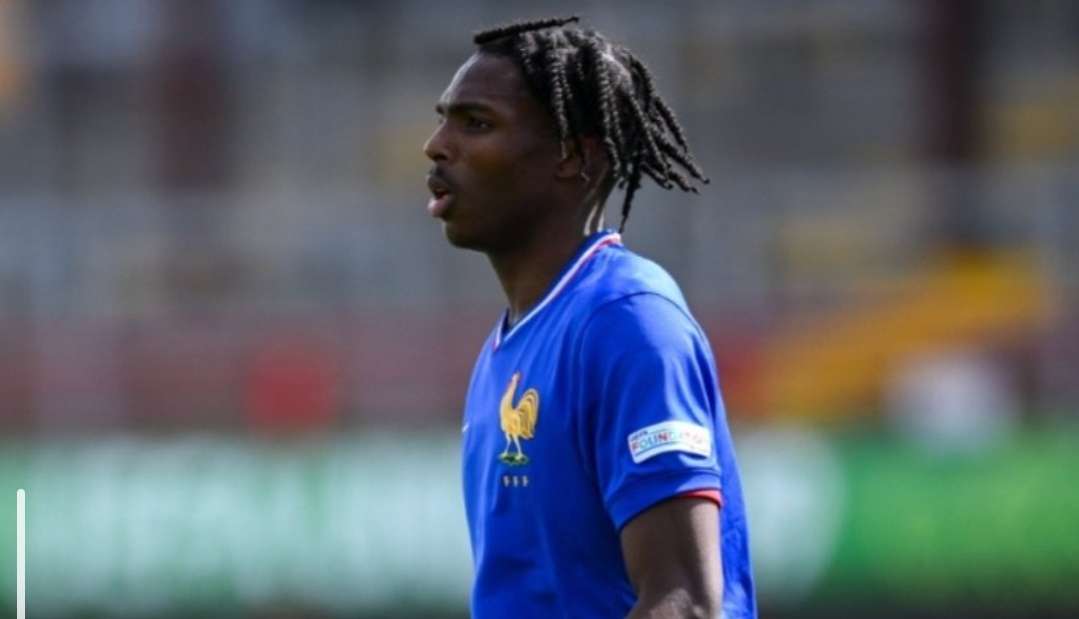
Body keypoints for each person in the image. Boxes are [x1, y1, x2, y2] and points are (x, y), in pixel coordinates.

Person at [422, 16, 756, 619]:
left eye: (477, 123)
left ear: (574, 156)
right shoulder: (512, 344)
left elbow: (684, 601)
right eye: (444, 119)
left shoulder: (628, 322)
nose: (437, 144)